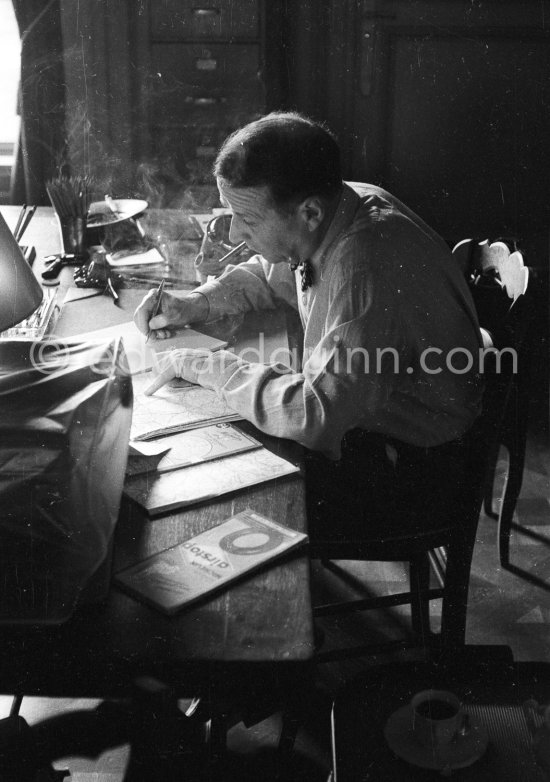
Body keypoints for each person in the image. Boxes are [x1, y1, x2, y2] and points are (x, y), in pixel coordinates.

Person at [134, 111, 484, 540]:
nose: (234, 232)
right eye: (230, 212)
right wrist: (195, 303)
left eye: (248, 219)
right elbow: (274, 269)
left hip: (414, 470)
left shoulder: (364, 269)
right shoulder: (340, 204)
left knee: (221, 493)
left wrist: (207, 365)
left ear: (310, 213)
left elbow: (317, 415)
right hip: (374, 425)